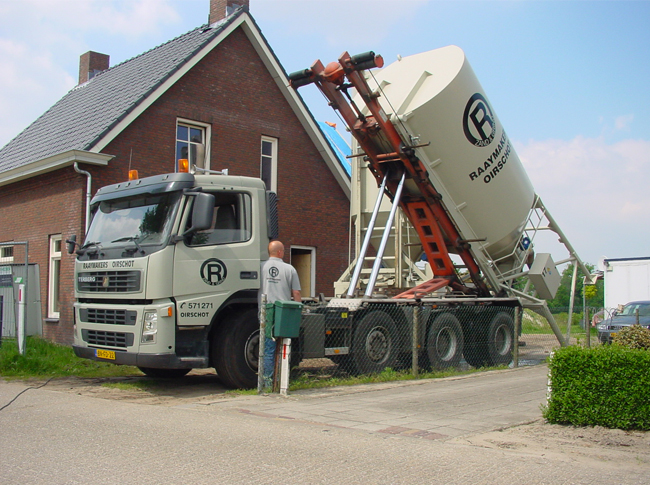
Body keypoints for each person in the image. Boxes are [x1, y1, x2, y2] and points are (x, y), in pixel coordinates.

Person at [259, 240, 301, 385]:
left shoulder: (260, 267)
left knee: (268, 347)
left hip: (266, 312)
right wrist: (297, 311)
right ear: (279, 252)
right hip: (284, 313)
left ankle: (267, 381)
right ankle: (283, 379)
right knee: (285, 345)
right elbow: (296, 292)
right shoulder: (290, 269)